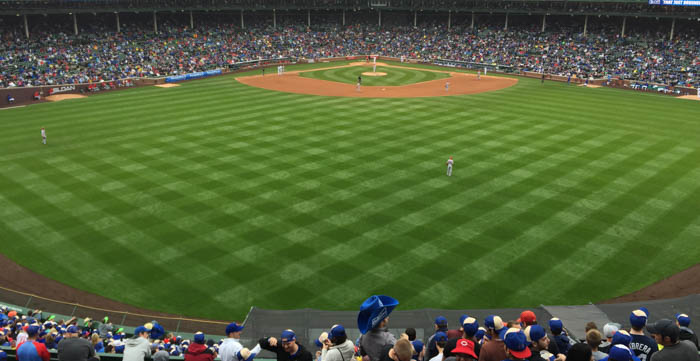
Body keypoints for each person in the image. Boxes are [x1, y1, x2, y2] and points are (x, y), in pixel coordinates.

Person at [358, 295, 399, 361]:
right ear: (383, 320)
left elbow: (363, 353)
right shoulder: (389, 339)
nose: (388, 317)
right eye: (386, 315)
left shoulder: (363, 336)